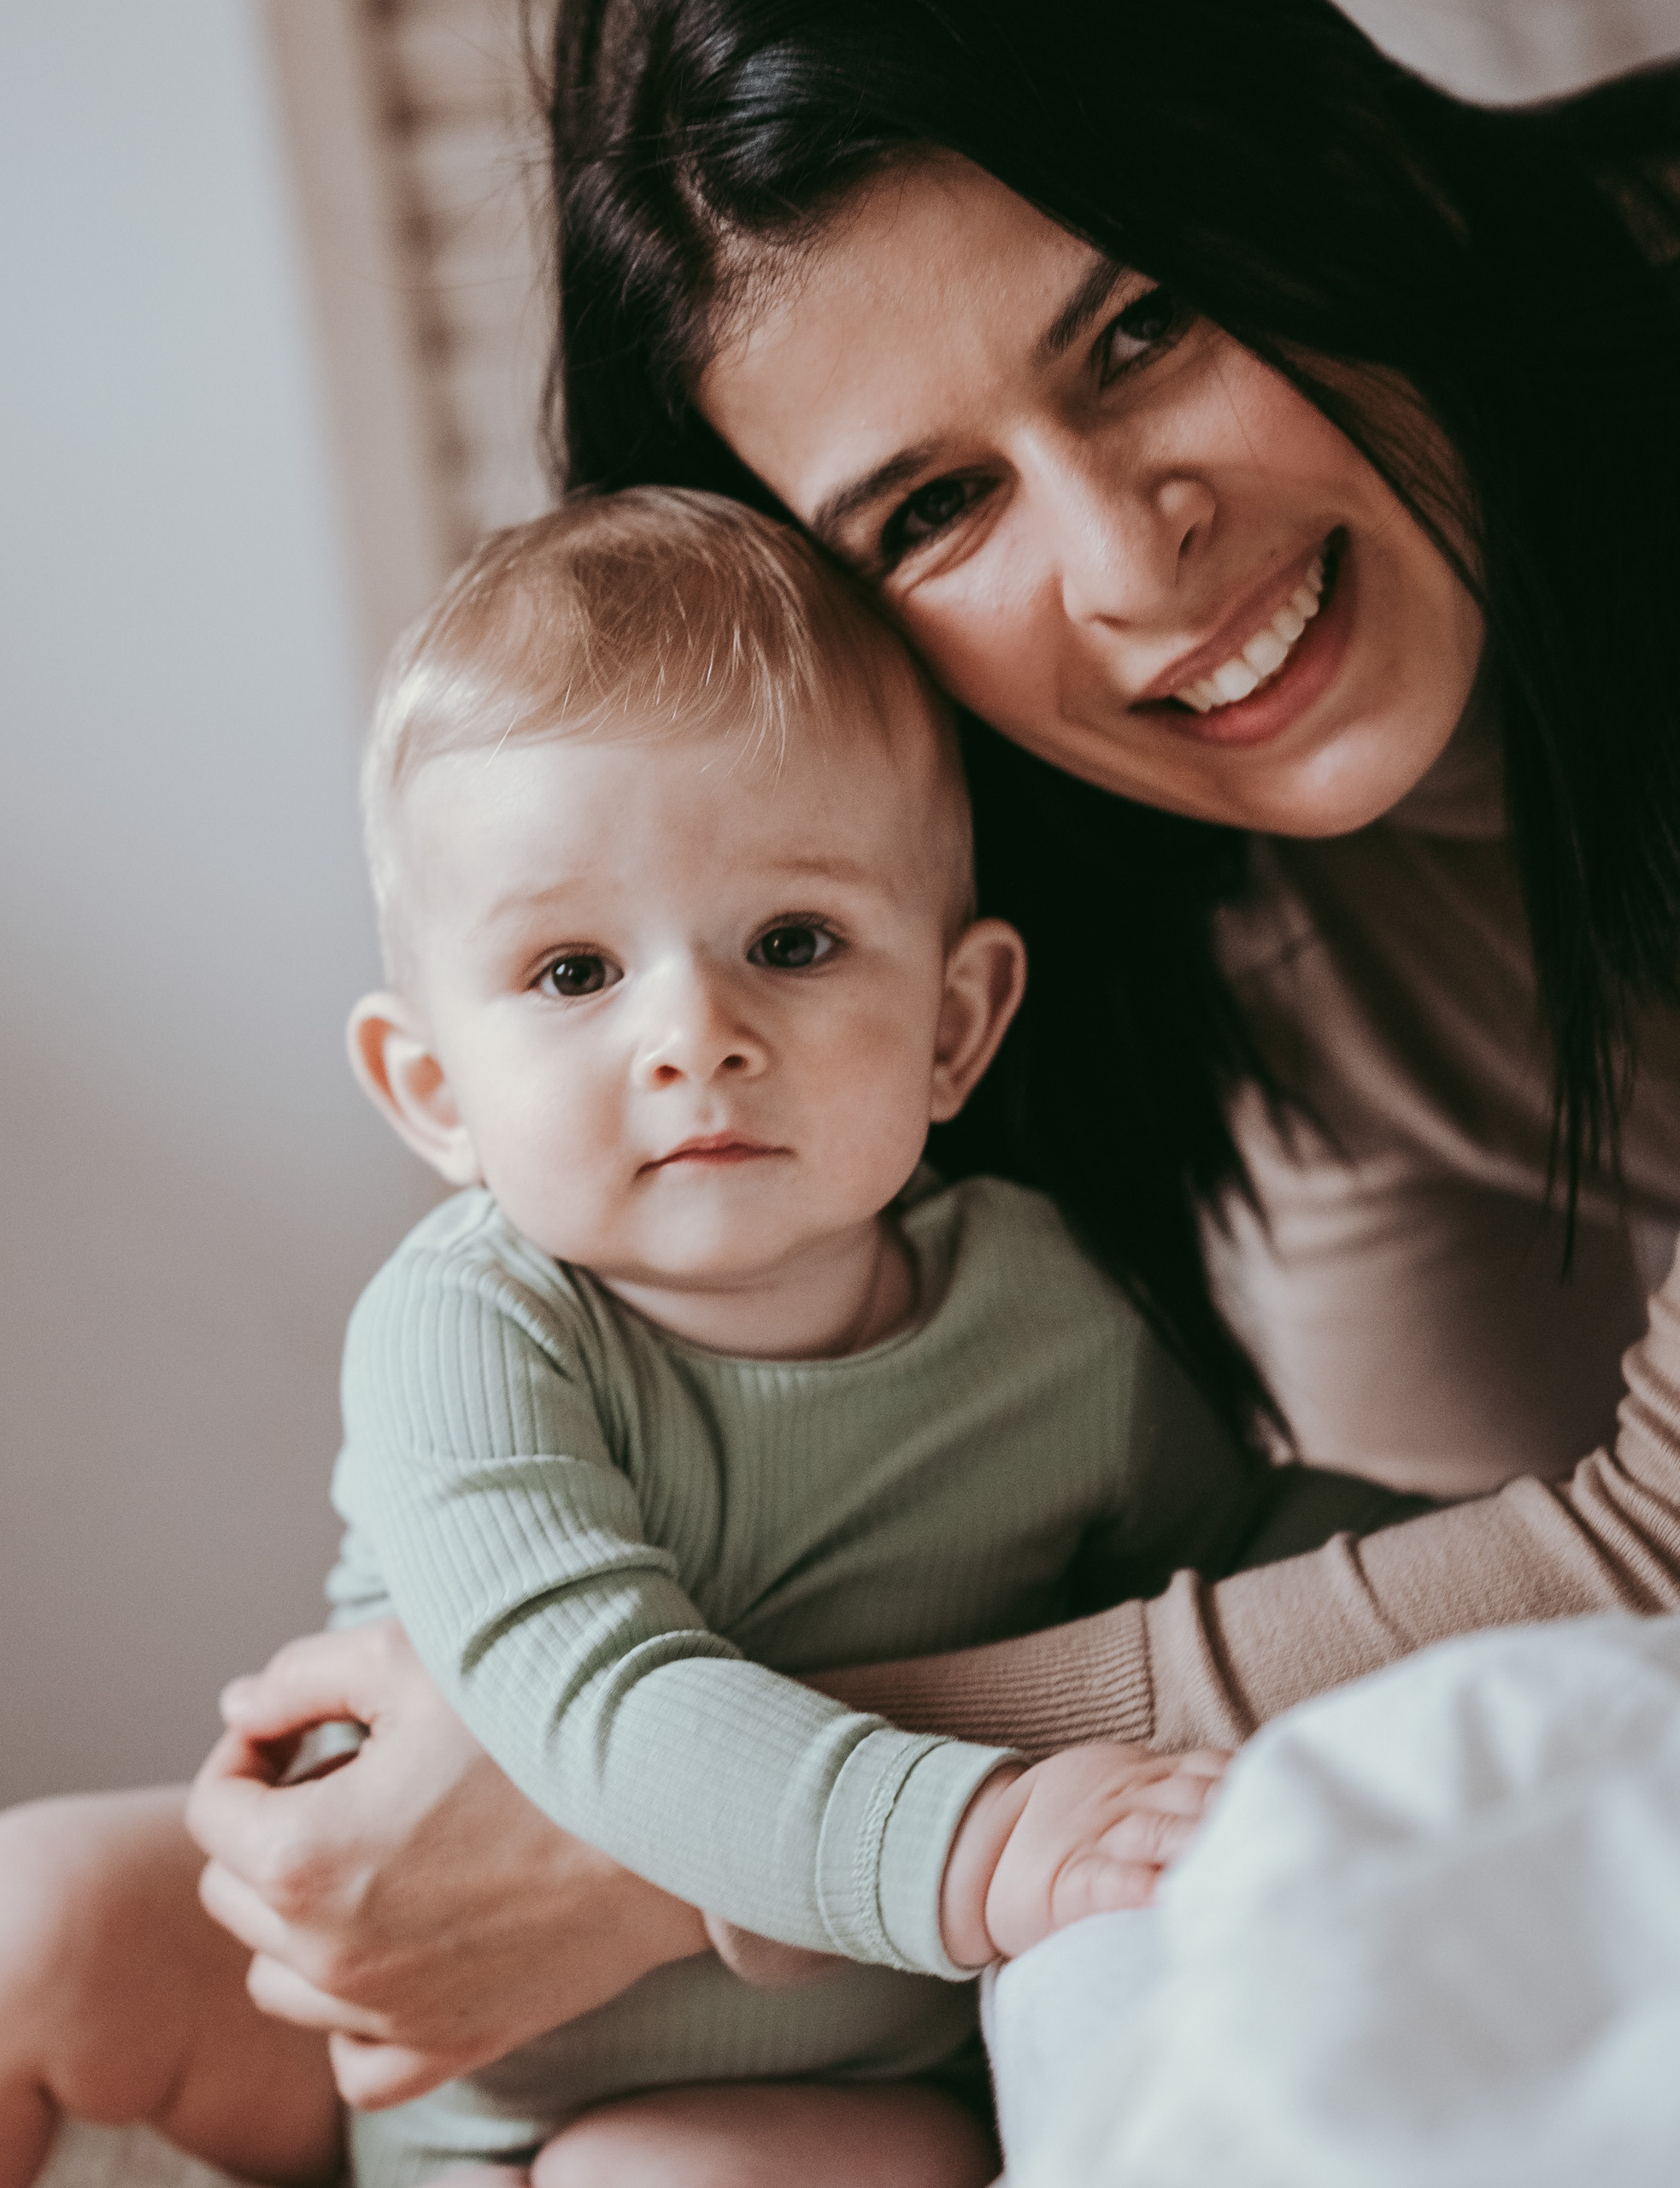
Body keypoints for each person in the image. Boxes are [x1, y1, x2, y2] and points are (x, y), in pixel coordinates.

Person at [170, 0, 1680, 2134]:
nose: (1127, 555)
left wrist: (691, 1810)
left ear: (1333, 159)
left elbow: (1648, 1561)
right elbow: (1455, 1597)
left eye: (1142, 327)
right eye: (934, 506)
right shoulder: (1188, 891)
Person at [0, 485, 1434, 2185]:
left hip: (819, 2069)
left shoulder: (1054, 1315)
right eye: (571, 970)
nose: (692, 1035)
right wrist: (976, 1836)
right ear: (431, 1088)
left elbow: (1220, 1562)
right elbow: (597, 1702)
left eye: (789, 942)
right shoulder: (472, 1329)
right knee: (8, 1915)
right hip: (381, 2034)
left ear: (952, 1021)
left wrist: (1505, 1553)